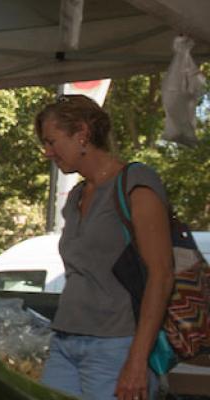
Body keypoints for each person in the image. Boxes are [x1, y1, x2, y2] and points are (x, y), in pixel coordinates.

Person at [34, 94, 172, 400]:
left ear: (81, 133)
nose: (47, 152)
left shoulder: (136, 183)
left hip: (116, 346)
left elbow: (161, 276)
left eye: (52, 141)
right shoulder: (76, 197)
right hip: (65, 341)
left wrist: (137, 361)